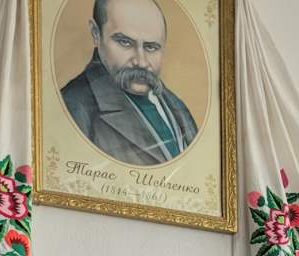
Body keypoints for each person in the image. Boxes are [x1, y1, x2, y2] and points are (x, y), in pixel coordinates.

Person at [61, 0, 199, 165]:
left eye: (151, 47)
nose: (141, 62)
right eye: (125, 42)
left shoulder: (177, 107)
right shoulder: (74, 107)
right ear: (96, 33)